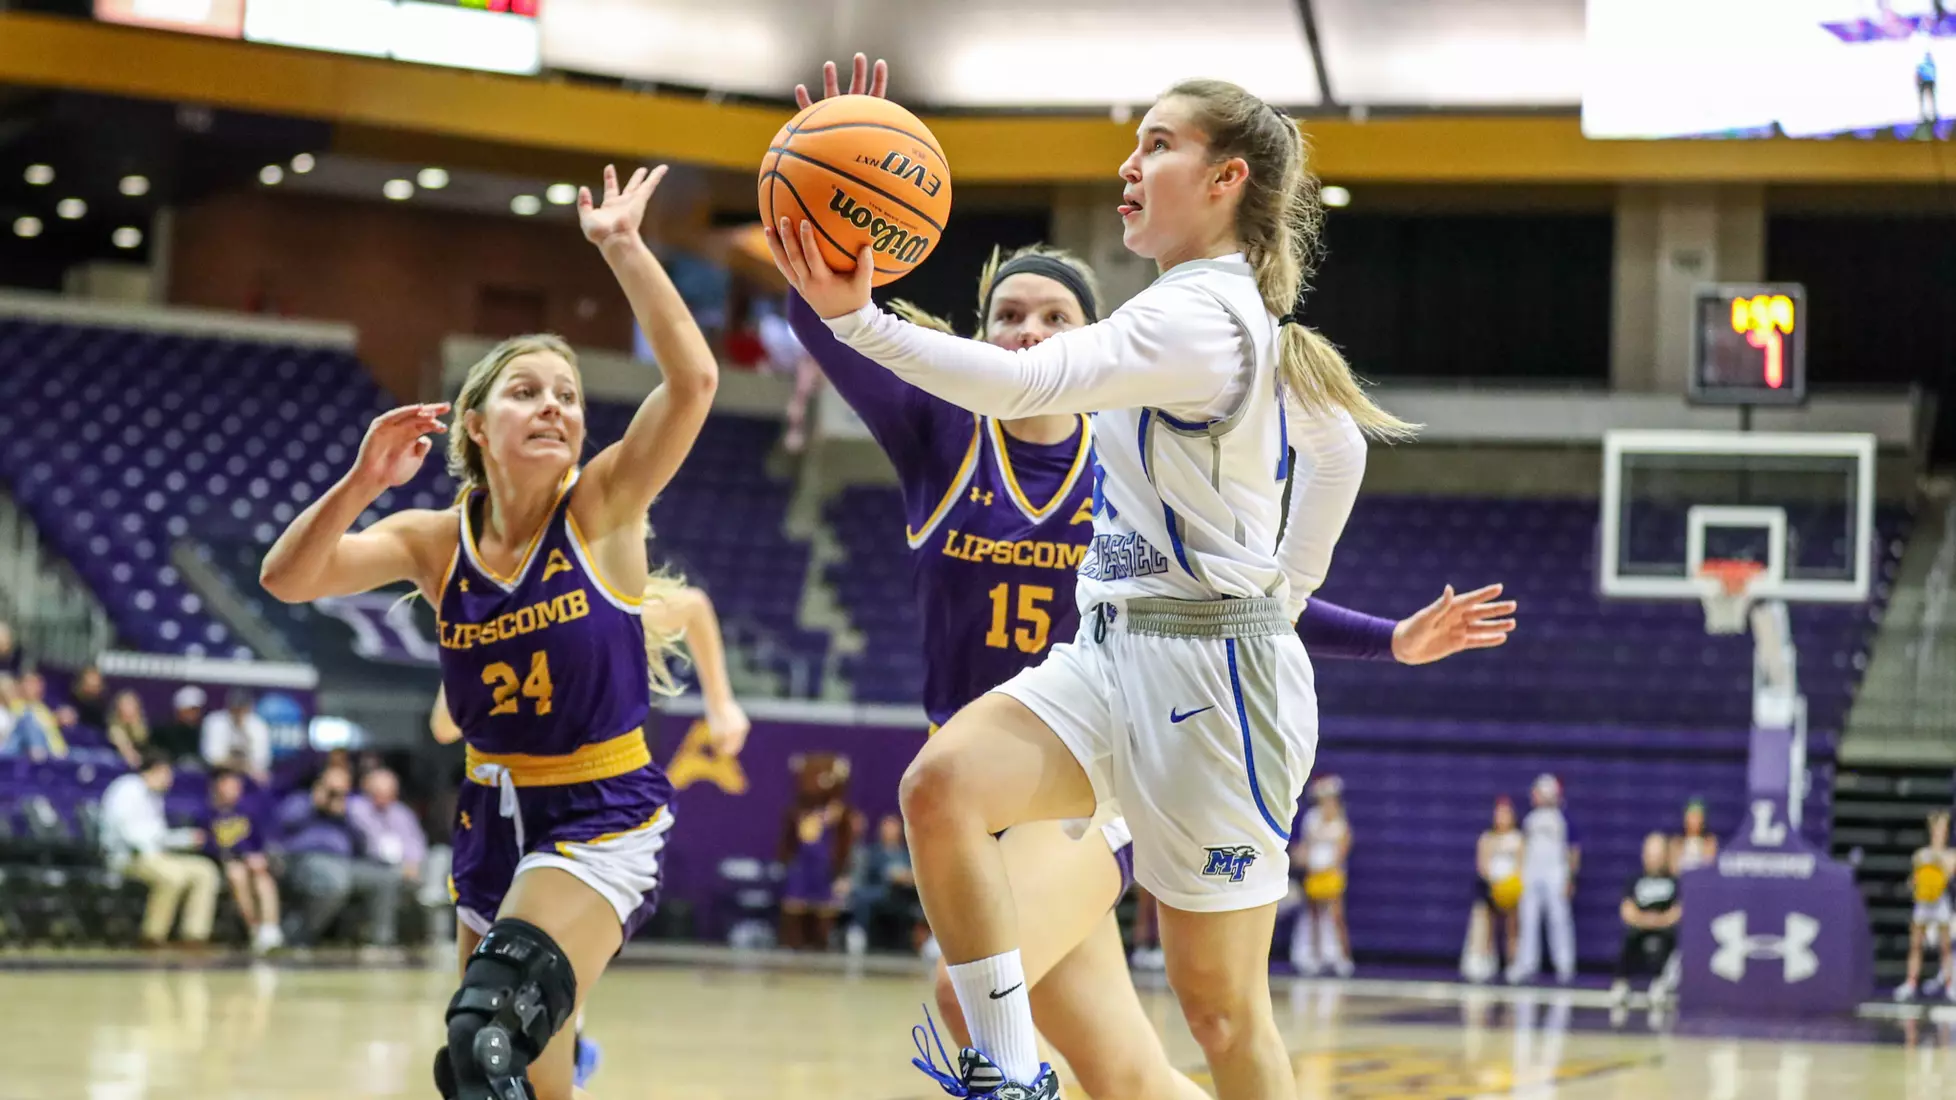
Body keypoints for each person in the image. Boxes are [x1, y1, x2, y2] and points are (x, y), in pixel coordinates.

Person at [779, 54, 1512, 1100]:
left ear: (1226, 180)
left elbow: (1031, 383)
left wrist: (1279, 599)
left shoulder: (1200, 315)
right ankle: (1012, 1070)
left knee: (1223, 1014)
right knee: (940, 784)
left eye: (1158, 145)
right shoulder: (1198, 314)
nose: (1129, 164)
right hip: (1111, 650)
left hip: (1212, 690)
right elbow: (1337, 443)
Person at [261, 164, 718, 1100]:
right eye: (526, 391)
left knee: (482, 1038)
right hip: (489, 814)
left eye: (568, 395)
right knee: (507, 1081)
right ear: (473, 423)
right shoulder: (435, 542)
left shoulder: (602, 507)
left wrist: (623, 247)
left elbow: (694, 379)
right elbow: (289, 578)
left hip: (599, 815)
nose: (553, 405)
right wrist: (362, 483)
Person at [429, 577, 749, 1095]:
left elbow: (691, 605)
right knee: (483, 1034)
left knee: (503, 1026)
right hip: (496, 816)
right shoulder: (488, 609)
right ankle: (570, 1048)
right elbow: (444, 724)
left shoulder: (594, 605)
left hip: (584, 811)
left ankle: (570, 1045)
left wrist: (721, 703)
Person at [99, 748, 219, 948]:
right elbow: (127, 834)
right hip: (126, 857)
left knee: (206, 871)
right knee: (172, 875)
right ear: (157, 770)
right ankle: (153, 937)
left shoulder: (154, 797)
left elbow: (159, 837)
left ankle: (194, 937)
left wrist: (186, 838)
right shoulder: (127, 789)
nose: (170, 779)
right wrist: (157, 850)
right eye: (167, 773)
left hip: (156, 856)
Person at [278, 760, 404, 950]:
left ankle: (381, 942)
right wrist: (315, 803)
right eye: (332, 790)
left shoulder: (349, 807)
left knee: (386, 878)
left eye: (342, 790)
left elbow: (362, 842)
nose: (336, 795)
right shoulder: (300, 800)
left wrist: (347, 816)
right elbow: (285, 821)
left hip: (345, 863)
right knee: (335, 881)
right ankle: (296, 934)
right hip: (308, 859)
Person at [1509, 773, 1579, 985]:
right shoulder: (1530, 819)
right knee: (1528, 919)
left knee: (1559, 918)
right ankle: (1527, 964)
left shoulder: (1563, 818)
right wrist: (1520, 874)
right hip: (1531, 873)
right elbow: (1523, 847)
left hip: (1556, 873)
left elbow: (1573, 850)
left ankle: (1565, 965)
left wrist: (1570, 877)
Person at [204, 766, 283, 953]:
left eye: (236, 785)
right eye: (229, 784)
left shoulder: (249, 811)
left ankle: (270, 929)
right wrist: (240, 855)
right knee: (236, 874)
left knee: (262, 876)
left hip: (253, 863)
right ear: (218, 786)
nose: (234, 789)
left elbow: (261, 842)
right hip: (224, 863)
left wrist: (256, 857)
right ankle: (254, 929)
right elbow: (208, 844)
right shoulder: (207, 813)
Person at [1288, 774, 1352, 977]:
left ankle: (1344, 958)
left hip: (1331, 873)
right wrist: (1306, 861)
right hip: (1314, 872)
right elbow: (1306, 844)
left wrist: (1331, 866)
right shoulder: (1312, 818)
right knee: (1314, 916)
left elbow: (1343, 847)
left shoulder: (1340, 820)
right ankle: (1316, 957)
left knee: (1336, 916)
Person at [1612, 831, 1682, 1005]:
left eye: (1657, 854)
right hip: (1640, 928)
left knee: (1671, 941)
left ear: (1665, 855)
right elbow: (1626, 911)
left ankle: (1660, 983)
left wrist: (1658, 921)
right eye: (1650, 854)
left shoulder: (1674, 882)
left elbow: (1678, 911)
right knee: (1629, 938)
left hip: (1666, 930)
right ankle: (1621, 983)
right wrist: (1646, 921)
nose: (1653, 859)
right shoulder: (1635, 880)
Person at [1896, 809, 1956, 1002]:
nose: (1940, 833)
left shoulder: (1950, 854)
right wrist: (1913, 884)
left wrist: (1937, 862)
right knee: (1915, 945)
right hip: (1923, 903)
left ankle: (1950, 986)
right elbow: (1914, 879)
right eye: (1937, 829)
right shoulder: (1921, 854)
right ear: (1932, 830)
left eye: (1943, 829)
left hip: (1940, 903)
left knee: (1945, 946)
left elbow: (1948, 874)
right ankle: (1910, 983)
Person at [1462, 795, 1523, 983]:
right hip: (1491, 886)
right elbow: (1482, 865)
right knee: (1485, 919)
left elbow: (1521, 865)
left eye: (1506, 814)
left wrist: (1510, 884)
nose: (1502, 818)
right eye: (1499, 814)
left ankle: (1513, 964)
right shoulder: (1487, 838)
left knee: (1513, 925)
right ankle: (1485, 959)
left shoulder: (1518, 839)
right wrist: (1494, 883)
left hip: (1511, 888)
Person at [847, 813, 923, 953]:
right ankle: (858, 933)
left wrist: (905, 876)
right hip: (880, 891)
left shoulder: (907, 854)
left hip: (903, 894)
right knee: (860, 895)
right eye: (886, 827)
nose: (889, 830)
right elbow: (866, 875)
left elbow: (915, 875)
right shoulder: (873, 853)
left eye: (893, 827)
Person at [201, 688, 271, 784]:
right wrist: (240, 765)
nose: (239, 712)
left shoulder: (258, 725)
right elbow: (212, 758)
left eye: (243, 708)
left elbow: (261, 761)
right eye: (235, 708)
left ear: (249, 708)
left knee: (263, 778)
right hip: (219, 773)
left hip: (249, 774)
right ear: (228, 706)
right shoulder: (215, 721)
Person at [1670, 797, 1717, 874]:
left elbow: (1708, 867)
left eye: (1698, 817)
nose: (1694, 821)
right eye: (1692, 816)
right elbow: (1674, 870)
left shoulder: (1709, 842)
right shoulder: (1676, 842)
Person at [106, 689, 151, 770]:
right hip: (123, 768)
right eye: (125, 705)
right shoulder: (116, 730)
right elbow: (130, 756)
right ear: (118, 708)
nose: (129, 708)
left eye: (131, 704)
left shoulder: (143, 728)